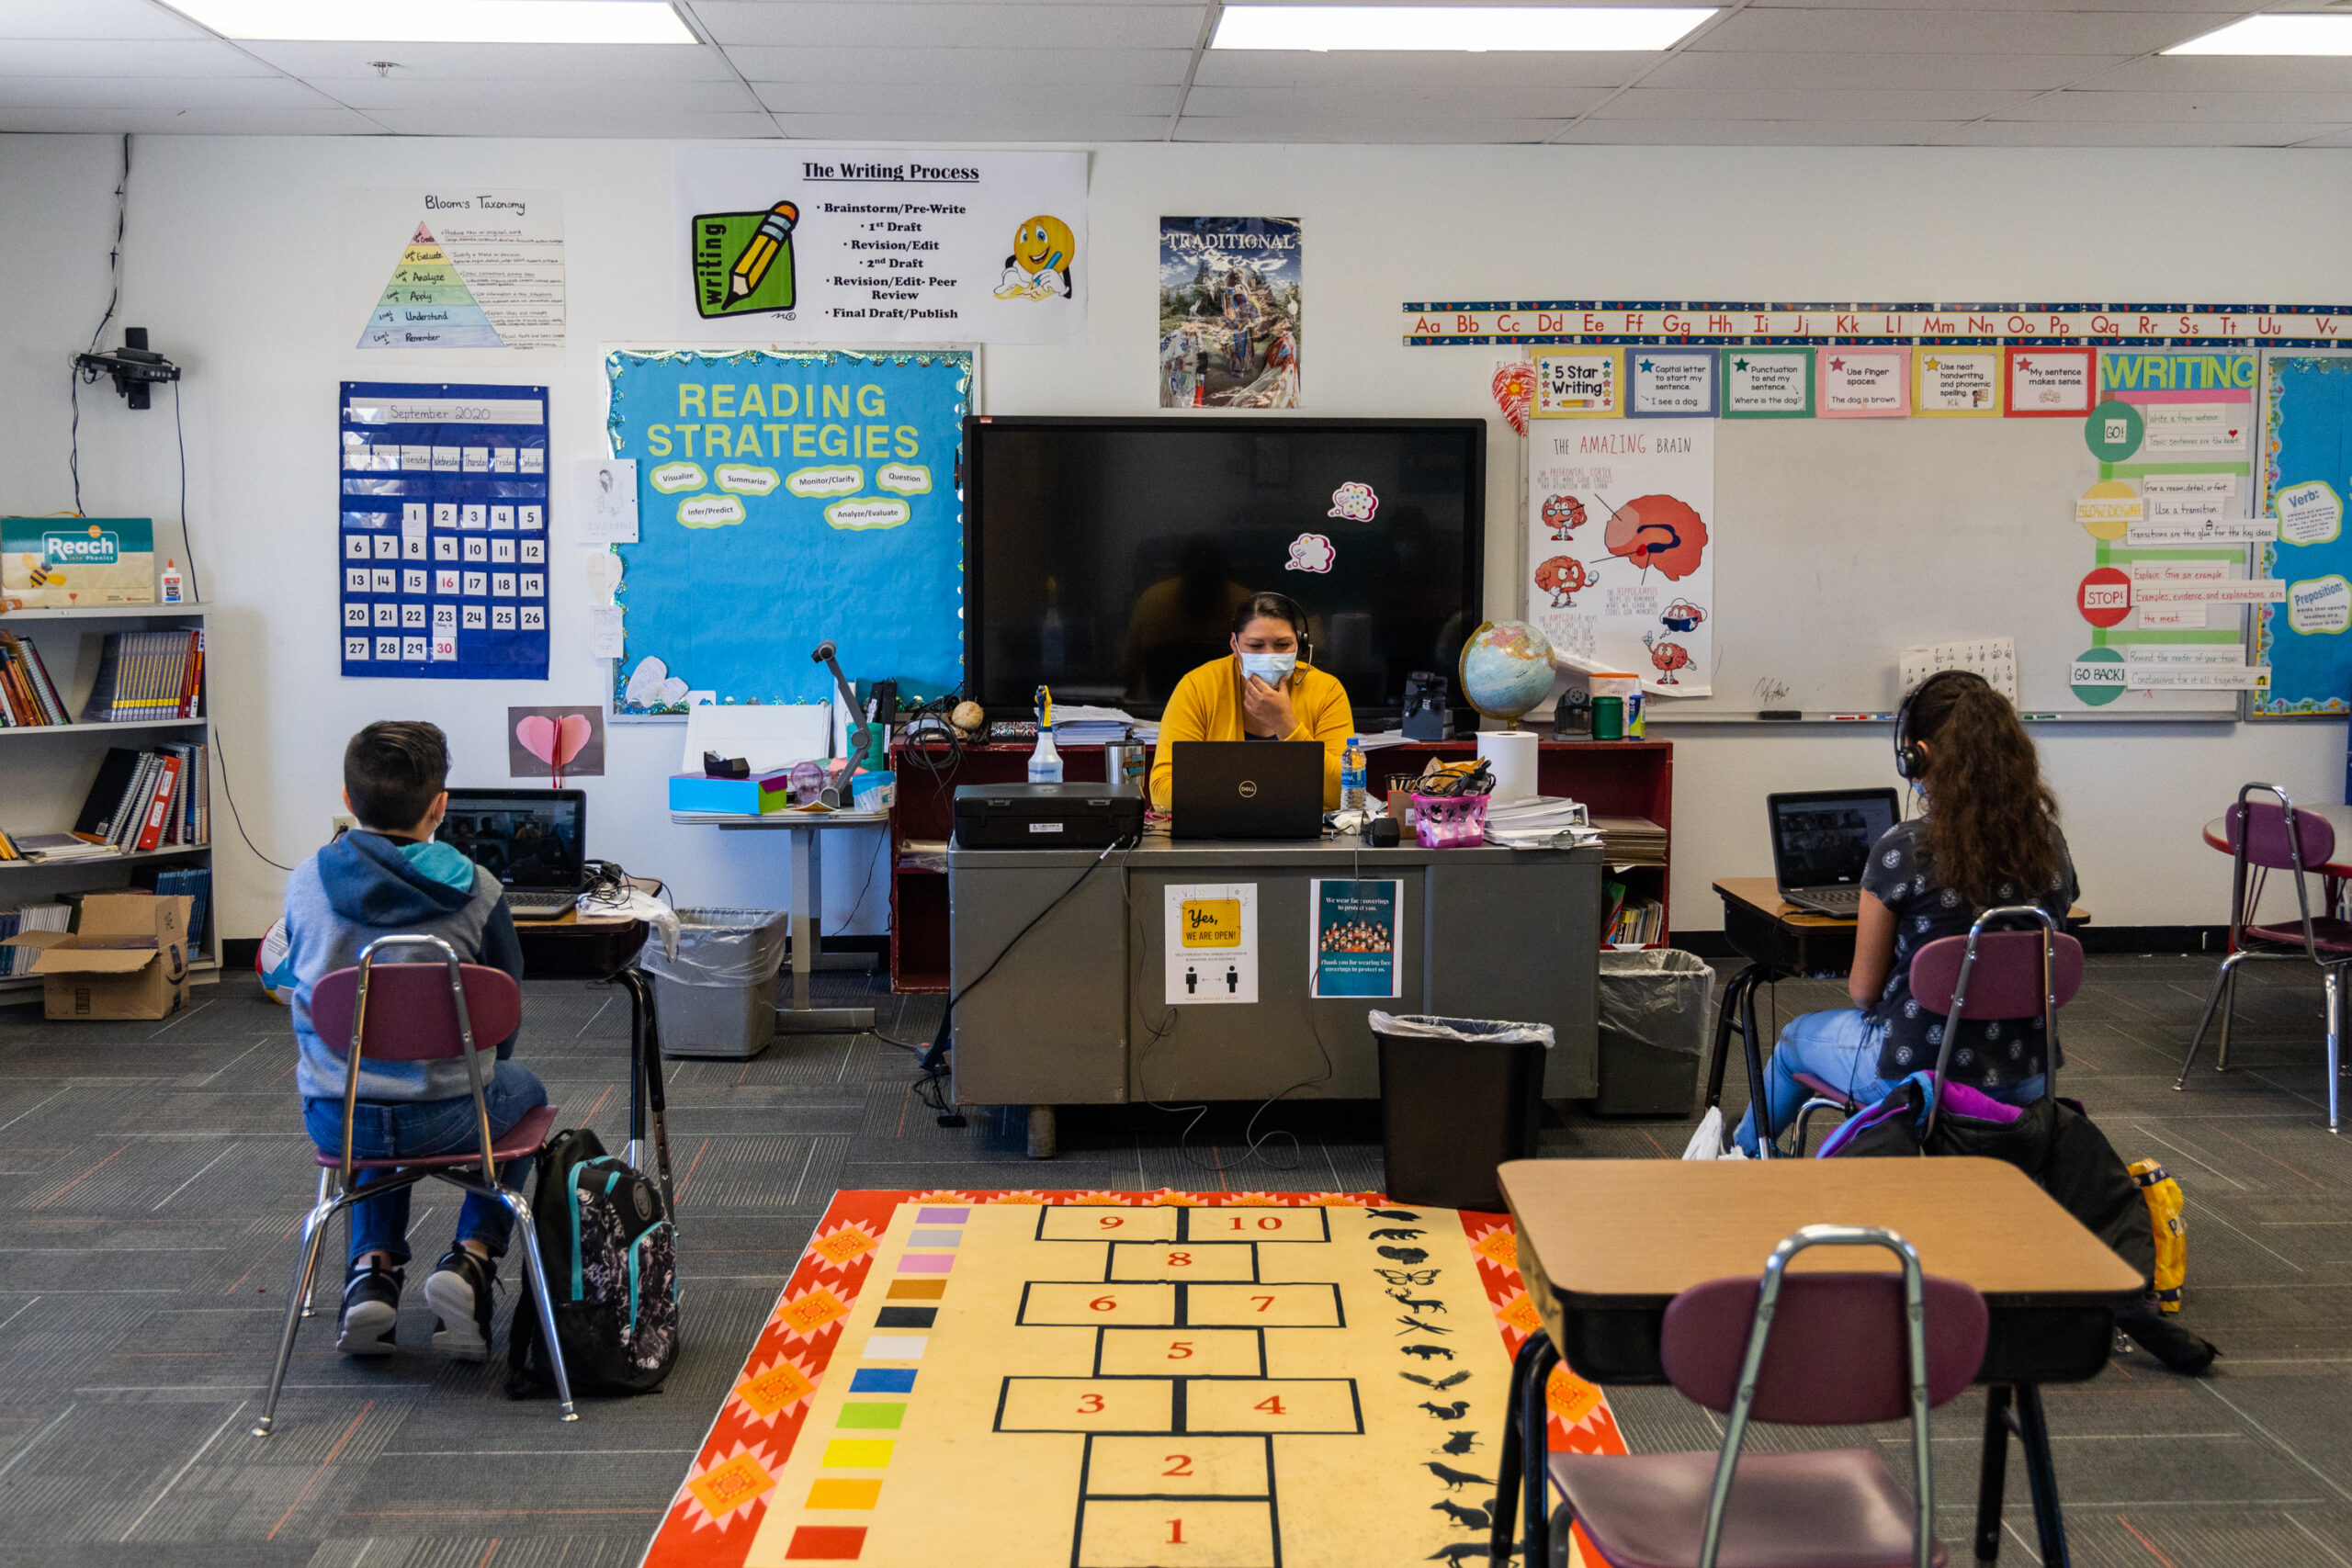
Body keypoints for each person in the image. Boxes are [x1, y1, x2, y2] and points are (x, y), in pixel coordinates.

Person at [267, 721, 541, 1359]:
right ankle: (471, 1260)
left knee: (369, 1085)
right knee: (523, 1086)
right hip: (451, 1115)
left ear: (347, 796)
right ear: (440, 804)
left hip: (338, 1119)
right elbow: (505, 1017)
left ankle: (372, 1270)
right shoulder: (480, 890)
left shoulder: (306, 883)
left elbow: (288, 978)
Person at [1732, 671, 2077, 1155]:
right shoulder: (2048, 843)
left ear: (1920, 755)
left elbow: (1863, 993)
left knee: (1792, 1041)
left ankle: (1736, 1163)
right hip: (2026, 1079)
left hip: (1918, 1079)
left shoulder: (1903, 850)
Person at [1148, 591, 1356, 812]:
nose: (1269, 655)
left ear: (1300, 644)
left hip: (1306, 839)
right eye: (1256, 646)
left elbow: (1346, 793)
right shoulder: (1197, 687)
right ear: (1235, 645)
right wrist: (1242, 799)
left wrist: (1286, 725)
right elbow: (1161, 791)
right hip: (1218, 836)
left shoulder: (1327, 690)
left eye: (1283, 644)